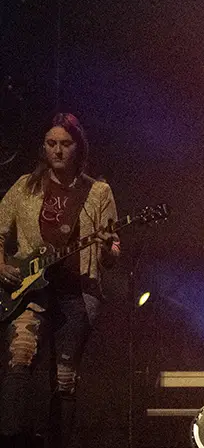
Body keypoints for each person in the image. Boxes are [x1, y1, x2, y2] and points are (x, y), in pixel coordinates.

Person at [0, 114, 120, 448]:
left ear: (78, 148)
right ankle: (11, 438)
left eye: (65, 144)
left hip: (76, 294)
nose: (57, 150)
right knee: (19, 357)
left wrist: (107, 246)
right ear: (44, 147)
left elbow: (112, 252)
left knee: (65, 379)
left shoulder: (98, 191)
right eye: (51, 143)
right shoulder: (26, 186)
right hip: (29, 291)